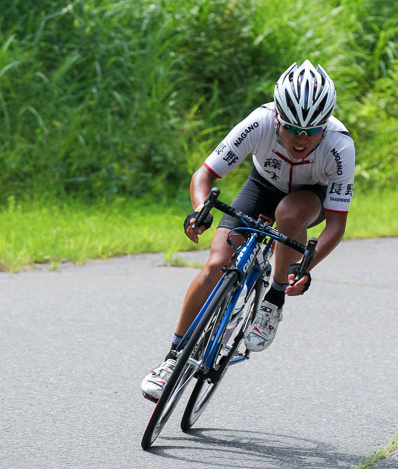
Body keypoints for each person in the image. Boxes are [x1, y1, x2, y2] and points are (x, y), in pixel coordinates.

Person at [141, 60, 355, 401]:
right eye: (292, 129)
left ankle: (273, 298)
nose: (301, 139)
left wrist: (304, 267)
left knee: (288, 213)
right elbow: (204, 176)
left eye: (312, 131)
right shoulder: (259, 122)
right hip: (260, 188)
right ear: (277, 119)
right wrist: (200, 210)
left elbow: (337, 224)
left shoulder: (340, 146)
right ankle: (171, 360)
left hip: (307, 199)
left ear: (325, 126)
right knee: (215, 266)